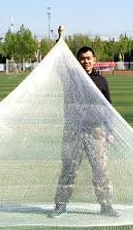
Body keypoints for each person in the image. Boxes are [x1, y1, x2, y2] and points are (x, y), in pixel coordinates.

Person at [49, 44, 118, 218]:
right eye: (82, 58)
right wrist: (60, 39)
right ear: (77, 61)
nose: (85, 61)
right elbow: (59, 63)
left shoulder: (101, 81)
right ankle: (61, 205)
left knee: (100, 170)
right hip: (74, 131)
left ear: (94, 60)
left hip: (96, 131)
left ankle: (106, 205)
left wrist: (110, 130)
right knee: (69, 169)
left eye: (88, 58)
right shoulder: (71, 78)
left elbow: (108, 107)